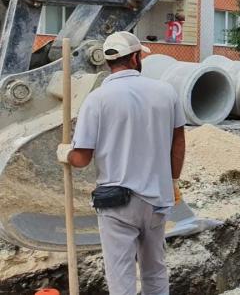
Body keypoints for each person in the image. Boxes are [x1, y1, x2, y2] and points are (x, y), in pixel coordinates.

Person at [57, 31, 186, 295]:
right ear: (136, 57)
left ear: (108, 62)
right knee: (155, 271)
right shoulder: (166, 92)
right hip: (157, 200)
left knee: (121, 278)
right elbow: (178, 142)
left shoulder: (97, 100)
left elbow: (81, 159)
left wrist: (65, 153)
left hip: (117, 204)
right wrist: (172, 181)